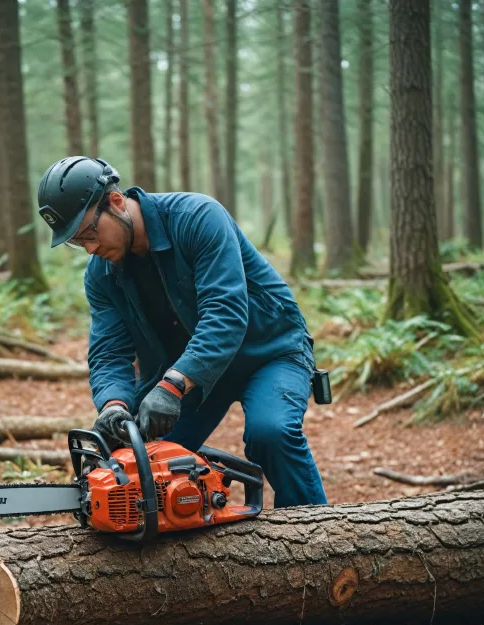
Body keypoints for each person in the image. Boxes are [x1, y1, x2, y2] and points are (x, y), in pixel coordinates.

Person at [37, 156, 327, 507]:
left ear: (115, 202)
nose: (91, 248)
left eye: (89, 233)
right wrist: (113, 404)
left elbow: (226, 313)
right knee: (136, 459)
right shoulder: (101, 275)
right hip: (186, 370)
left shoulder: (198, 218)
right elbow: (109, 352)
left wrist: (173, 384)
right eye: (77, 242)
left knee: (271, 432)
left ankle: (312, 538)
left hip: (268, 351)